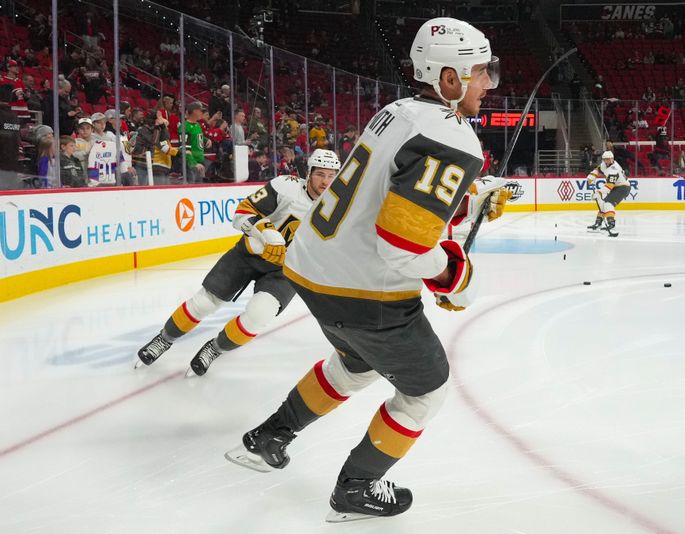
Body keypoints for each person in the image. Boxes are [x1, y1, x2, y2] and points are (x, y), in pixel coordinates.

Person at [225, 17, 503, 522]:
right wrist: (454, 275)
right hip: (363, 289)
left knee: (355, 363)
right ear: (448, 78)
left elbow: (378, 198)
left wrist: (461, 207)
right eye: (482, 71)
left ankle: (268, 437)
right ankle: (356, 487)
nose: (489, 84)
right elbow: (400, 244)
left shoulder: (398, 111)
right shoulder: (452, 136)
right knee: (426, 390)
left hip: (311, 267)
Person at [135, 149, 341, 375]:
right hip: (248, 254)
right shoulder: (286, 186)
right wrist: (267, 232)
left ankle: (215, 349)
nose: (326, 181)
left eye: (332, 176)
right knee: (204, 303)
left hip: (285, 272)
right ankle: (164, 339)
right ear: (309, 173)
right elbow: (242, 213)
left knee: (258, 316)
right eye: (320, 174)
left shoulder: (338, 209)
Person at [586, 150, 630, 234]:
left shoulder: (614, 169)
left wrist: (598, 193)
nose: (606, 161)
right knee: (603, 204)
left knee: (608, 204)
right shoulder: (604, 164)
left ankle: (611, 223)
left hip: (623, 187)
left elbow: (609, 186)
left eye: (608, 159)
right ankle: (598, 223)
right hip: (616, 187)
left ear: (612, 159)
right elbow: (598, 169)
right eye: (605, 159)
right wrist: (591, 176)